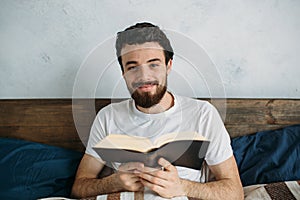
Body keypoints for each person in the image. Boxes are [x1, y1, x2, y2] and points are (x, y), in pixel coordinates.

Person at [71, 22, 243, 199]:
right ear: (123, 72)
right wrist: (113, 182)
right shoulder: (108, 117)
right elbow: (79, 188)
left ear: (168, 65)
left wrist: (182, 187)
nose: (144, 76)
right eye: (132, 67)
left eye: (153, 64)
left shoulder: (203, 114)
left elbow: (235, 192)